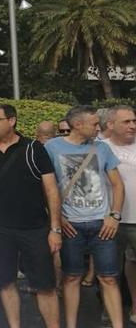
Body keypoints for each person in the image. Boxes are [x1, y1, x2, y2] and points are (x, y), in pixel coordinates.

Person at [0, 103, 62, 328]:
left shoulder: (33, 148)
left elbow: (51, 190)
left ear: (11, 121)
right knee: (5, 283)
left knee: (45, 286)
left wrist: (55, 229)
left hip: (35, 228)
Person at [45, 105, 125, 328]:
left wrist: (114, 216)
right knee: (71, 278)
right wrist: (58, 218)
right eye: (94, 124)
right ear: (78, 125)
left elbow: (118, 185)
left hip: (102, 224)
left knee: (109, 278)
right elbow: (46, 188)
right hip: (71, 225)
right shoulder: (52, 147)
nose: (98, 128)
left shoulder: (102, 149)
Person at [103, 105, 136, 324]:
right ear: (110, 125)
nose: (133, 126)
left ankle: (135, 305)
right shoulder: (99, 148)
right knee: (108, 269)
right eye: (127, 122)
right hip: (109, 220)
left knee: (133, 262)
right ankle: (109, 308)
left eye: (134, 121)